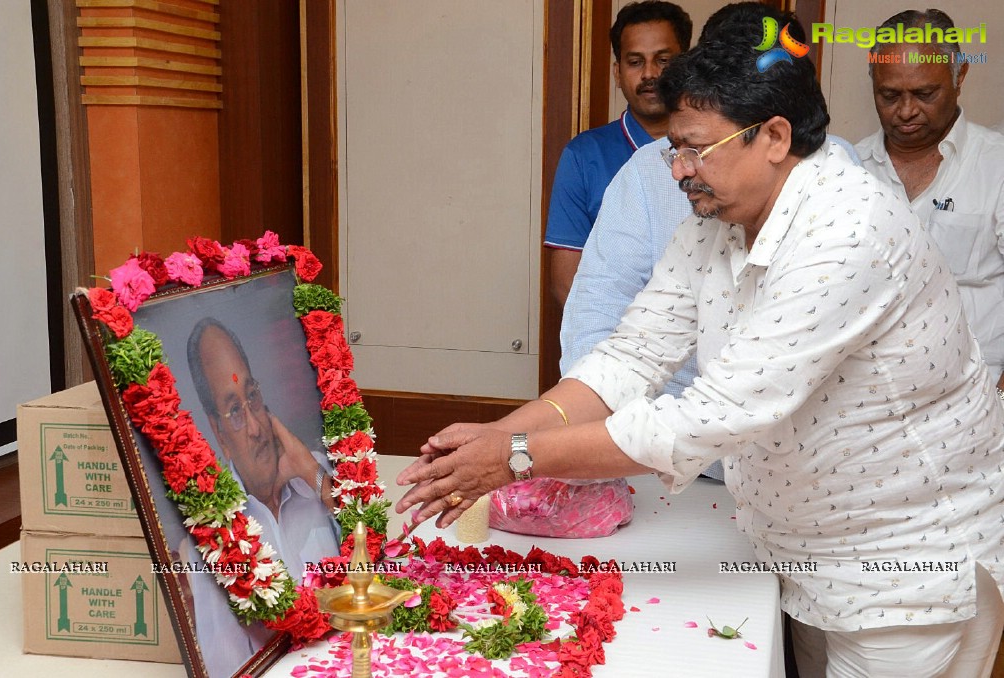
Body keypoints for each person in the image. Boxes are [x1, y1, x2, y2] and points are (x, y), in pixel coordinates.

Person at [398, 14, 1004, 678]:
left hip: (903, 564)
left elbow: (704, 418)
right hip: (807, 543)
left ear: (773, 137)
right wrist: (498, 436)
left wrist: (514, 458)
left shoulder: (847, 230)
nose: (679, 171)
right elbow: (633, 353)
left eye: (693, 149)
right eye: (673, 150)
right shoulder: (721, 211)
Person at [562, 2, 860, 482]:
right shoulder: (665, 183)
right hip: (666, 457)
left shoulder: (845, 199)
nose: (682, 170)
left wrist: (523, 453)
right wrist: (560, 435)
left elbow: (742, 400)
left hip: (805, 471)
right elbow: (614, 330)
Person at [856, 8, 1004, 393]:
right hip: (865, 401)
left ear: (960, 76)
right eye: (889, 95)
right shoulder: (846, 169)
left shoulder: (997, 166)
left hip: (976, 396)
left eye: (925, 94)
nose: (906, 111)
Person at [185, 317, 342, 676]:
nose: (256, 427)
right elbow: (228, 668)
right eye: (235, 411)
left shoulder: (315, 473)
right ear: (217, 430)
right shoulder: (212, 532)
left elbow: (375, 564)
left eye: (252, 397)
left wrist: (314, 477)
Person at [544, 0, 692, 307]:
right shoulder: (583, 157)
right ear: (617, 71)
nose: (650, 74)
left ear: (686, 65)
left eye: (663, 60)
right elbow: (566, 286)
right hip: (617, 346)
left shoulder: (719, 148)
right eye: (635, 62)